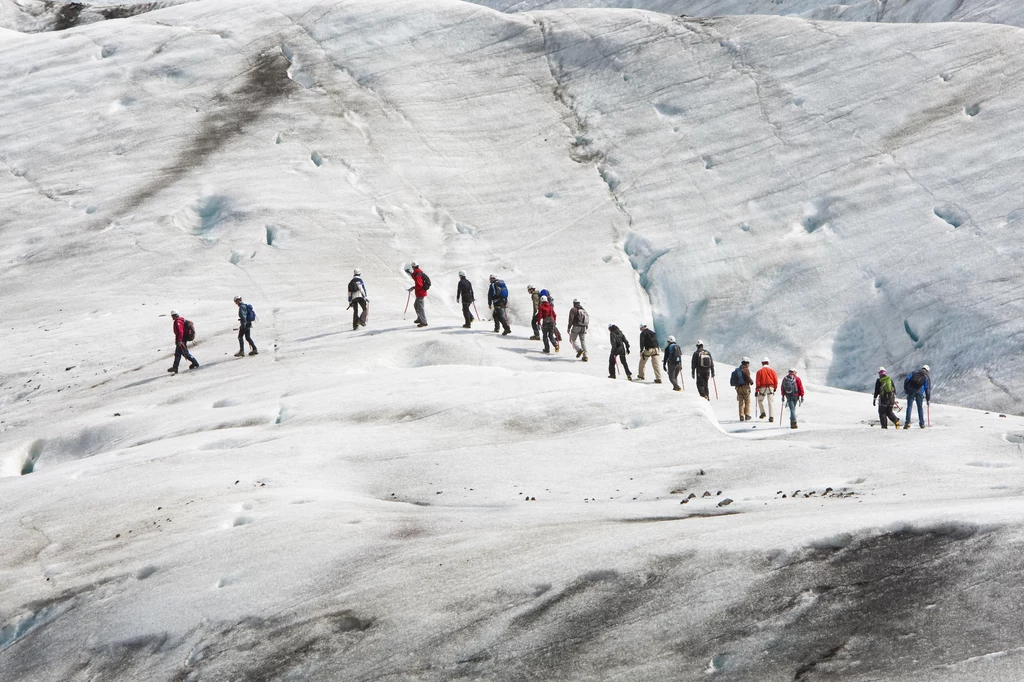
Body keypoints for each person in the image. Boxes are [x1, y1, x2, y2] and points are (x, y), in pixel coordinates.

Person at [903, 364, 931, 429]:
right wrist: (928, 399)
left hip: (911, 391)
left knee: (909, 407)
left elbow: (907, 379)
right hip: (919, 393)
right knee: (920, 408)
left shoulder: (914, 372)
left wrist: (906, 389)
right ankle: (922, 424)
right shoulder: (926, 377)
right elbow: (927, 389)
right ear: (927, 371)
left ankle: (907, 423)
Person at [755, 357, 778, 422]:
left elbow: (758, 382)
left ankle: (763, 413)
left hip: (762, 388)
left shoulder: (759, 371)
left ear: (762, 363)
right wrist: (775, 388)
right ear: (768, 363)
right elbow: (775, 380)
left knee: (760, 400)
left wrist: (756, 391)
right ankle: (771, 417)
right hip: (771, 388)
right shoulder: (772, 371)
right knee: (771, 402)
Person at [406, 262, 428, 327]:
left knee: (420, 307)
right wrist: (410, 273)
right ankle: (419, 318)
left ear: (413, 267)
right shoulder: (418, 272)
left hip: (421, 293)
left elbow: (420, 284)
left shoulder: (418, 274)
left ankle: (424, 322)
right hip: (420, 293)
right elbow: (415, 277)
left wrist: (413, 287)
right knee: (416, 305)